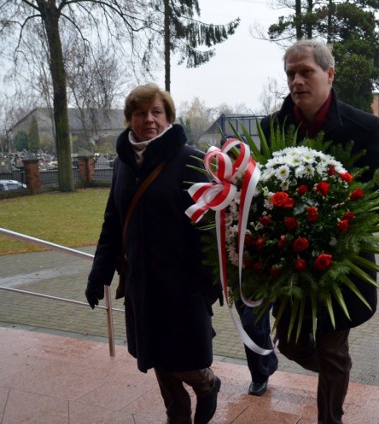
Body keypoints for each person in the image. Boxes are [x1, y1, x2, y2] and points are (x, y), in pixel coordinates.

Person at [260, 39, 379, 424]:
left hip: (341, 261)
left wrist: (337, 224)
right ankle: (337, 368)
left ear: (329, 74)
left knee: (332, 349)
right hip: (289, 260)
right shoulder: (272, 127)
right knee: (292, 344)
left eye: (306, 72)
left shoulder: (364, 128)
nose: (297, 81)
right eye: (290, 74)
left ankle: (331, 416)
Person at [85, 83, 221, 424]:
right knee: (158, 356)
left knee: (182, 358)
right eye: (140, 113)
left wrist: (212, 278)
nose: (149, 119)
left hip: (182, 285)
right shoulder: (122, 165)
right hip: (141, 283)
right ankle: (177, 416)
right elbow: (112, 223)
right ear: (130, 119)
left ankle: (207, 384)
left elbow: (210, 227)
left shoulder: (190, 160)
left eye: (156, 112)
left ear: (169, 118)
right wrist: (98, 275)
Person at [236, 300, 278, 396]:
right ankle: (270, 363)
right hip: (239, 287)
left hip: (263, 287)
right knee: (257, 324)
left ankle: (259, 376)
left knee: (251, 324)